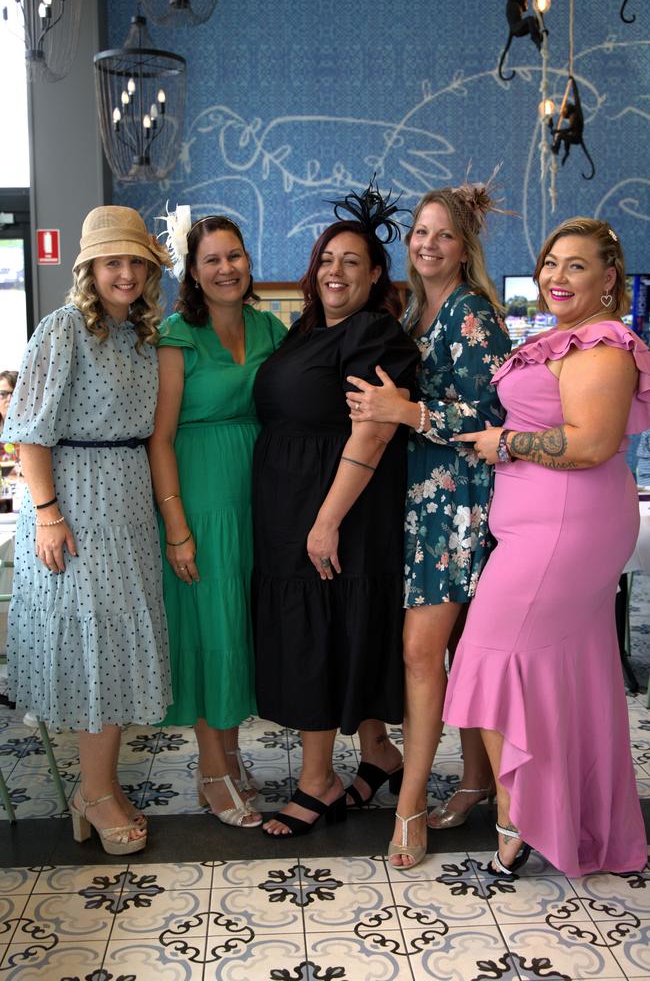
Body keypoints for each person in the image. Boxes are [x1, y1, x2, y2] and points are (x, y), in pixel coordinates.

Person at [445, 217, 649, 878]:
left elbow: (589, 443)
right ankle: (585, 822)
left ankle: (518, 813)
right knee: (576, 677)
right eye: (551, 264)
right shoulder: (554, 341)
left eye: (577, 266)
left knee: (486, 654)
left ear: (608, 279)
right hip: (540, 525)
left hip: (570, 527)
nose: (557, 277)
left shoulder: (604, 347)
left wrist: (503, 444)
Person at [346, 178, 512, 868]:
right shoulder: (414, 309)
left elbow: (500, 421)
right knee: (460, 654)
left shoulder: (472, 315)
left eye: (444, 234)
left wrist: (409, 414)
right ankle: (475, 780)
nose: (428, 243)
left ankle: (409, 803)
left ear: (464, 245)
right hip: (420, 503)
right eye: (421, 232)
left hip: (464, 506)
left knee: (424, 653)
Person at [2, 206, 173, 855]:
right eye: (112, 262)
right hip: (74, 504)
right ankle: (95, 792)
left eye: (134, 262)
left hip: (126, 503)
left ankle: (96, 786)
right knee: (93, 649)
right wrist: (47, 514)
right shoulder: (62, 330)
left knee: (120, 647)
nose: (124, 273)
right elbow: (28, 431)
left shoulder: (139, 334)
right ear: (89, 270)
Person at [252, 184, 419, 836]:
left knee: (319, 635)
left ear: (376, 274)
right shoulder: (306, 331)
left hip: (338, 510)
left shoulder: (374, 332)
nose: (336, 271)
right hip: (294, 507)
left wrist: (325, 520)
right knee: (324, 628)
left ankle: (317, 781)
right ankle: (377, 753)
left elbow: (373, 431)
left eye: (353, 261)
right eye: (328, 258)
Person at [149, 211, 286, 828]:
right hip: (200, 494)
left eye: (235, 256)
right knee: (213, 629)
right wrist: (177, 528)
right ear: (193, 272)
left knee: (242, 626)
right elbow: (160, 438)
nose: (227, 268)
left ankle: (230, 755)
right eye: (212, 260)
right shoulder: (178, 335)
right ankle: (211, 771)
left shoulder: (270, 328)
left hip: (257, 493)